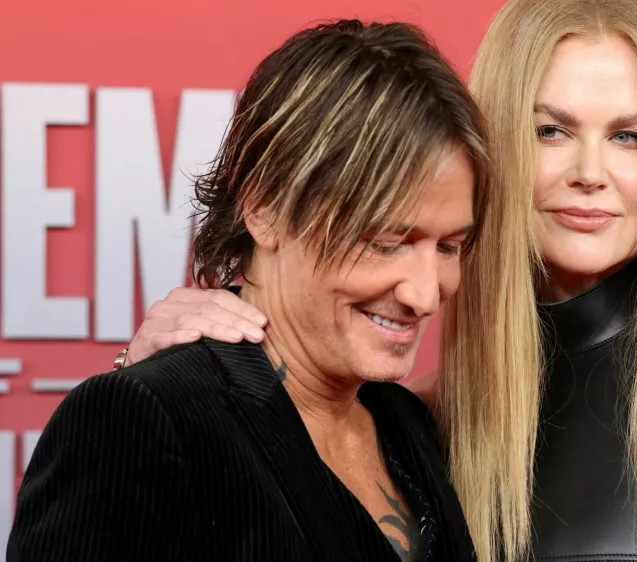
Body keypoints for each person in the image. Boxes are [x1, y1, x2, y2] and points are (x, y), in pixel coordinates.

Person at [110, 0, 637, 561]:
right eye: (550, 131)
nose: (590, 174)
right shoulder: (416, 418)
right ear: (487, 150)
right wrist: (168, 360)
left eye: (630, 136)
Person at [7, 20, 493, 562]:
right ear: (265, 207)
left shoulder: (407, 424)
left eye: (449, 247)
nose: (426, 296)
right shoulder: (145, 419)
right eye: (385, 242)